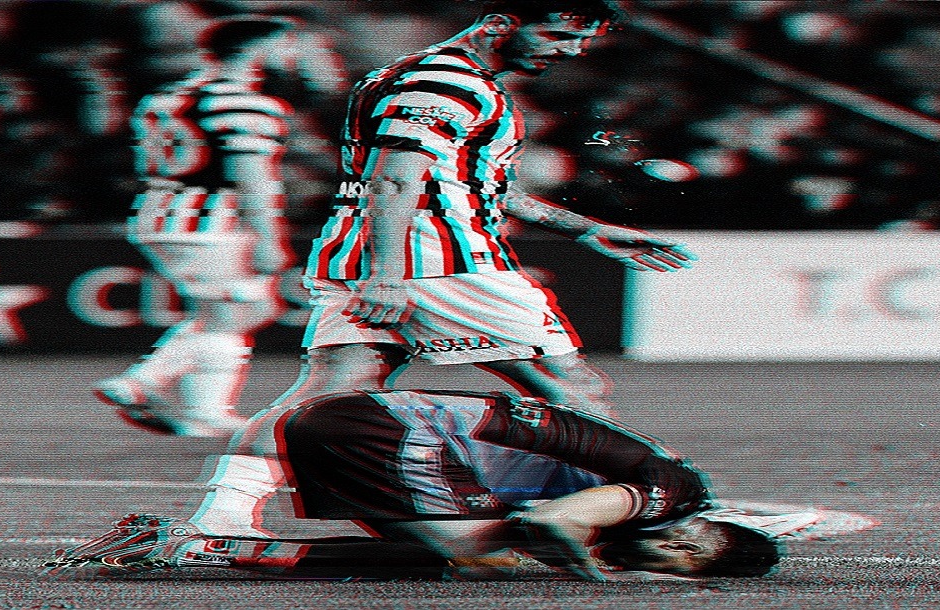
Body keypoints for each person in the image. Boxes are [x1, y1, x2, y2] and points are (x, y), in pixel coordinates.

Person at [271, 0, 696, 422]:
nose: (570, 51)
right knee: (570, 384)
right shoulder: (447, 81)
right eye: (558, 35)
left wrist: (584, 228)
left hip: (363, 252)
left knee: (331, 394)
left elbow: (470, 184)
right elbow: (394, 180)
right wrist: (387, 276)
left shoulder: (418, 73)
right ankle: (618, 470)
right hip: (438, 259)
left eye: (582, 42)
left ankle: (244, 471)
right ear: (497, 24)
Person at [46, 389, 788, 581]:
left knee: (451, 559)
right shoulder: (673, 495)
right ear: (698, 530)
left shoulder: (658, 502)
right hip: (396, 433)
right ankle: (198, 545)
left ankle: (196, 547)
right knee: (483, 551)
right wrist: (595, 572)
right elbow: (555, 523)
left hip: (354, 424)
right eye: (689, 549)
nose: (673, 553)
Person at [92, 17, 301, 437]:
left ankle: (165, 393)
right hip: (210, 222)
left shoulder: (165, 97)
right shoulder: (247, 103)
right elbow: (253, 179)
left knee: (228, 312)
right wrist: (269, 238)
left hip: (160, 214)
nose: (296, 55)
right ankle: (176, 398)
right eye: (288, 45)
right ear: (257, 51)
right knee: (238, 312)